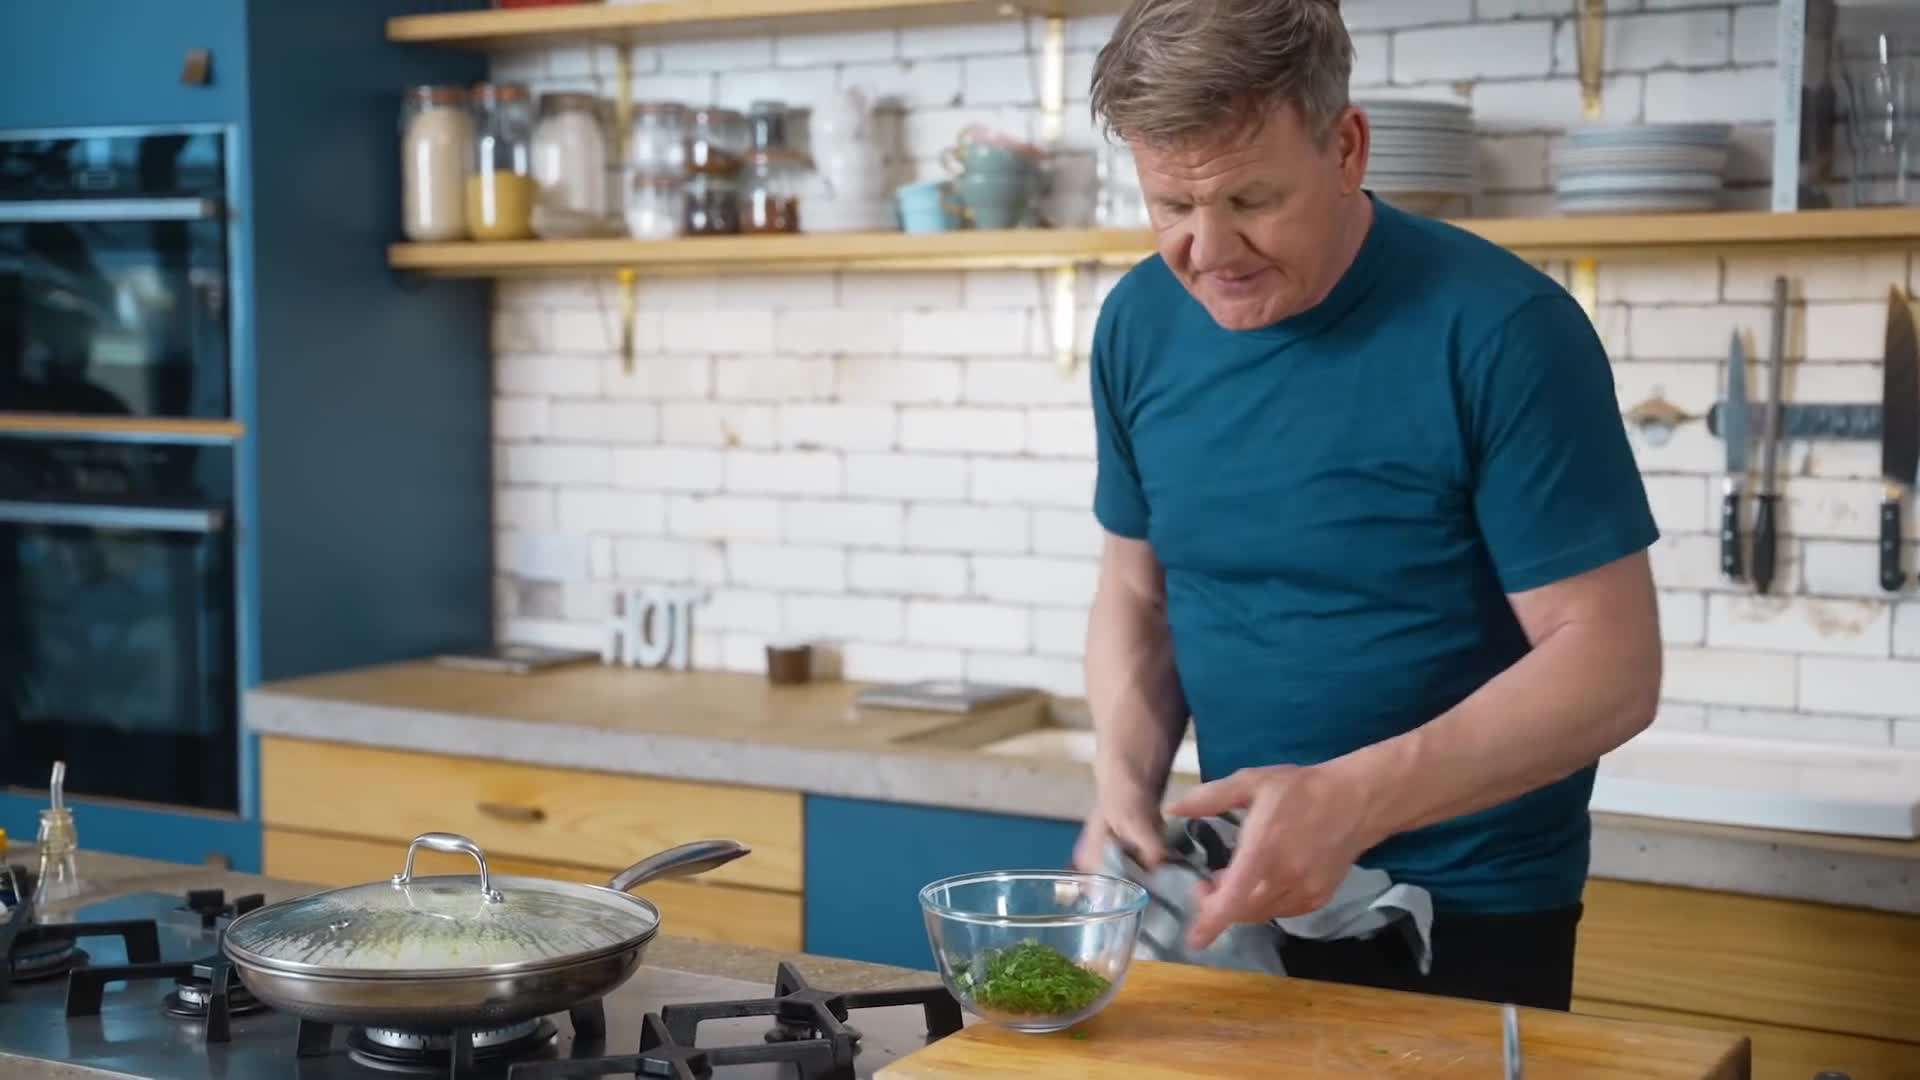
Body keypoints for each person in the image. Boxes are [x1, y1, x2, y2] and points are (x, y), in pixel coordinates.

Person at [1073, 0, 1663, 1011]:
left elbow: (1610, 668)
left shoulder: (1505, 332)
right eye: (1170, 205)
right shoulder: (1141, 322)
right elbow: (1141, 591)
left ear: (1346, 146)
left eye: (1251, 199)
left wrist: (1349, 801)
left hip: (1466, 922)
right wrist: (1124, 780)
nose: (1208, 250)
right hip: (1232, 895)